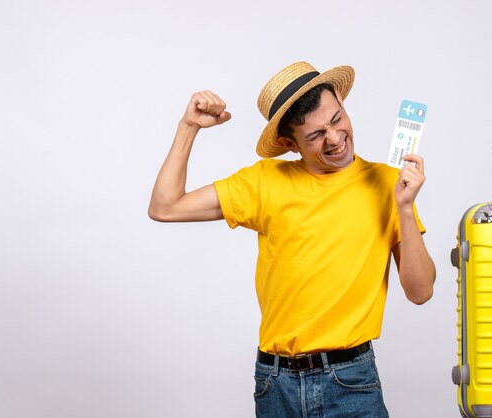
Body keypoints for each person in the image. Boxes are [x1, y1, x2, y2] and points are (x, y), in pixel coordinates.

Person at [148, 61, 436, 418]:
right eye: (315, 135)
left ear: (343, 103)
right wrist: (189, 126)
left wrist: (405, 209)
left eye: (336, 119)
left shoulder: (388, 183)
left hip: (351, 382)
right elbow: (165, 207)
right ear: (289, 143)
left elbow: (420, 292)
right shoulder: (264, 182)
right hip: (275, 384)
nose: (334, 139)